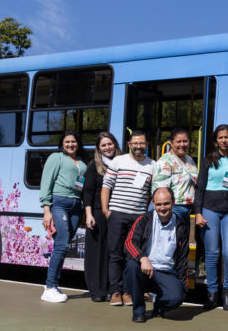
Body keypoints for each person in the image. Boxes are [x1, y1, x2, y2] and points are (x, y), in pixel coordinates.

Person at [101, 130, 157, 307]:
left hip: (138, 217)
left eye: (142, 143)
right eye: (135, 143)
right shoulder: (119, 161)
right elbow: (106, 186)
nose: (138, 146)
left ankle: (127, 292)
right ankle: (115, 292)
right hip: (117, 214)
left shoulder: (152, 165)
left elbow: (150, 193)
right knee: (115, 254)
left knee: (132, 255)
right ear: (129, 144)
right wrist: (106, 211)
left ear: (146, 145)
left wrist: (143, 212)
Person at [195, 124, 228, 311]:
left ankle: (227, 293)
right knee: (212, 253)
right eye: (220, 137)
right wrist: (198, 212)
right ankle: (212, 294)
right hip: (210, 209)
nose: (224, 140)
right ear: (216, 141)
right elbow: (200, 187)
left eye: (227, 137)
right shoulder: (208, 160)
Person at [123, 188, 190, 323]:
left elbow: (183, 259)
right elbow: (129, 243)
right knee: (131, 266)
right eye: (158, 204)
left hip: (166, 272)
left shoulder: (181, 226)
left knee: (176, 297)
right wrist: (142, 258)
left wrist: (183, 288)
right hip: (145, 269)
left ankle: (159, 306)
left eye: (166, 203)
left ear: (173, 202)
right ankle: (138, 311)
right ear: (153, 204)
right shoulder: (143, 219)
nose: (162, 208)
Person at [38, 130, 86, 303]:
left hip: (76, 206)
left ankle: (53, 285)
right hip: (59, 203)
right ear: (62, 144)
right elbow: (46, 183)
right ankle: (50, 287)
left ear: (78, 143)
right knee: (61, 244)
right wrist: (47, 210)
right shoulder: (56, 158)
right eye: (67, 142)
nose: (70, 144)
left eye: (73, 141)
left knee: (63, 245)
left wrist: (82, 210)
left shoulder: (81, 162)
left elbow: (80, 186)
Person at [82, 131, 120, 302]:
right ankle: (97, 290)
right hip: (98, 212)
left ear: (115, 144)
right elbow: (88, 192)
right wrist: (88, 214)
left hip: (117, 211)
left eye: (110, 144)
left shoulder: (123, 162)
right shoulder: (94, 165)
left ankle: (113, 288)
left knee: (113, 252)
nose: (107, 148)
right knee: (97, 252)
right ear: (99, 148)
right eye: (103, 145)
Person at [153, 127, 198, 225]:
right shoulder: (165, 161)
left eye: (185, 141)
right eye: (178, 142)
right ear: (171, 143)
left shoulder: (189, 160)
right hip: (173, 209)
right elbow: (160, 190)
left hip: (188, 208)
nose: (182, 144)